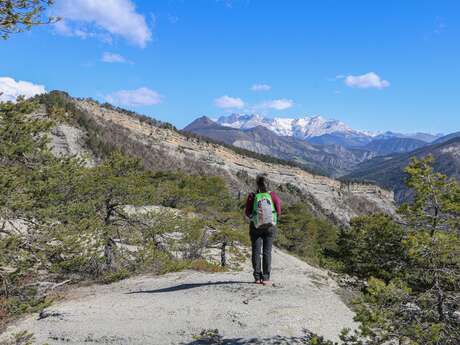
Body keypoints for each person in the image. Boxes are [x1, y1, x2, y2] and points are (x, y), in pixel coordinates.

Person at [245, 174, 281, 286]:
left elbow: (247, 212)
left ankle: (257, 277)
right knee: (267, 252)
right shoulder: (272, 195)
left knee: (256, 251)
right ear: (268, 183)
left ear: (257, 184)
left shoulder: (252, 195)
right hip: (270, 227)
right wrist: (272, 220)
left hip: (255, 226)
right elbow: (278, 211)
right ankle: (266, 278)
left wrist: (254, 219)